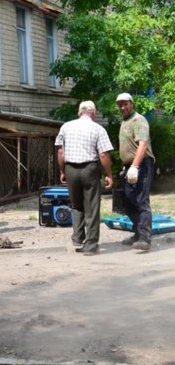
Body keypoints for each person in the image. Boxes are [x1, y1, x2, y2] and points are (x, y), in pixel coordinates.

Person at [55, 100, 114, 255]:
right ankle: (91, 245)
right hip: (90, 169)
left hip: (71, 169)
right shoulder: (98, 129)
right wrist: (109, 174)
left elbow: (61, 152)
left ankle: (77, 238)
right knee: (92, 207)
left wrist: (62, 171)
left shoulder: (66, 127)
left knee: (76, 205)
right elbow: (103, 154)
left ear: (79, 112)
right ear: (93, 113)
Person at [116, 92, 156, 251]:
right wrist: (127, 166)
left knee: (141, 200)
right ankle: (138, 233)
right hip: (130, 166)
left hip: (142, 165)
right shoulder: (125, 121)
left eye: (125, 104)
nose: (123, 107)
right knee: (128, 202)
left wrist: (134, 166)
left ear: (132, 104)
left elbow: (143, 144)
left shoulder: (138, 120)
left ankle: (145, 238)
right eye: (120, 104)